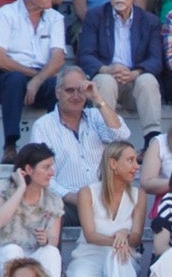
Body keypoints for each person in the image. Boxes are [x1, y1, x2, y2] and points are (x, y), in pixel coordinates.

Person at [66, 141, 146, 277]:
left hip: (123, 256)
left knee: (117, 258)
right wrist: (117, 238)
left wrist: (125, 236)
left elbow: (137, 237)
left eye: (136, 161)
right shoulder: (87, 193)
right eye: (130, 160)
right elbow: (91, 235)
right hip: (88, 255)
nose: (136, 166)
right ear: (113, 163)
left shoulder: (139, 195)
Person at [29, 65, 133, 222]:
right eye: (70, 90)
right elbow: (40, 174)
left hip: (103, 201)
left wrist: (97, 98)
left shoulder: (97, 116)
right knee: (51, 212)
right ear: (58, 93)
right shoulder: (43, 126)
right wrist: (70, 196)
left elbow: (121, 136)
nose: (76, 96)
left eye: (81, 90)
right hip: (65, 203)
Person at [0, 0, 65, 164]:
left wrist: (37, 81)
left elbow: (58, 58)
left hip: (41, 78)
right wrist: (33, 76)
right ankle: (10, 146)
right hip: (9, 77)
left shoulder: (55, 17)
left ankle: (57, 145)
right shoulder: (6, 14)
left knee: (59, 87)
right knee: (15, 80)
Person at [77, 0, 164, 152]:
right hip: (109, 80)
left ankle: (151, 141)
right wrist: (106, 69)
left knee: (147, 80)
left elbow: (156, 60)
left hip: (135, 84)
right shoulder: (95, 17)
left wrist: (136, 72)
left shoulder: (149, 21)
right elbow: (85, 55)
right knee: (103, 80)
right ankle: (107, 142)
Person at [0, 143, 64, 277]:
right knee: (12, 250)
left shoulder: (53, 200)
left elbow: (53, 241)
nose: (52, 173)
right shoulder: (3, 187)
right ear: (28, 169)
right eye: (46, 167)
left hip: (31, 258)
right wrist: (21, 188)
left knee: (51, 252)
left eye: (51, 167)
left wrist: (45, 240)